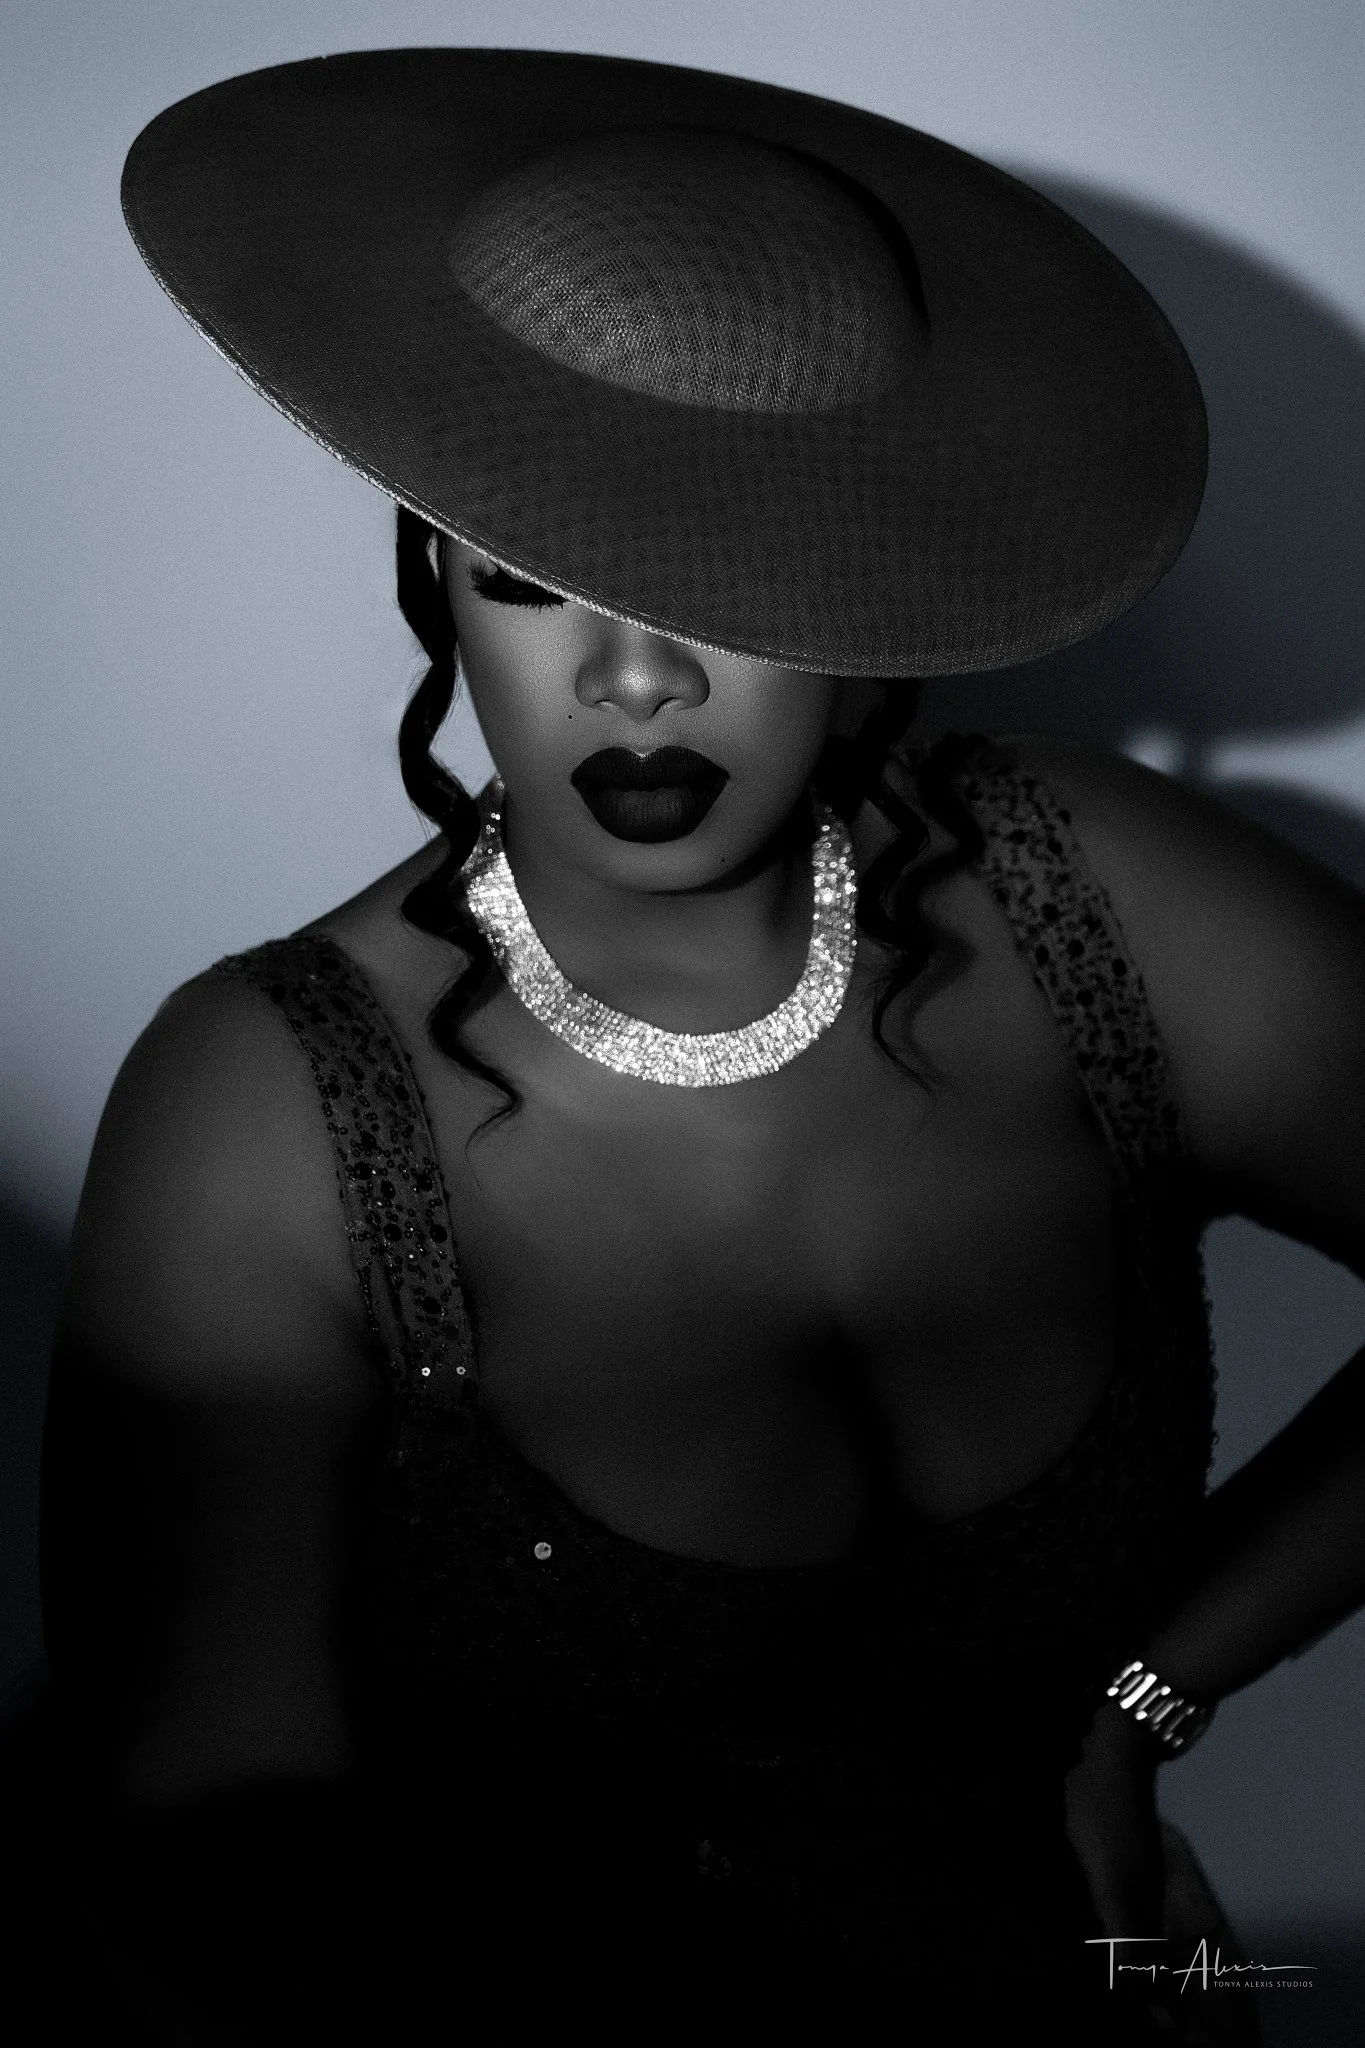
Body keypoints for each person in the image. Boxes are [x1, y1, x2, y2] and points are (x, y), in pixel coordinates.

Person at [23, 46, 1365, 2047]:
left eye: (726, 576)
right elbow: (201, 1852)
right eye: (532, 567)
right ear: (432, 567)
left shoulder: (1108, 908)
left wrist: (1151, 1691)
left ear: (867, 583)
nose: (635, 674)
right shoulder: (269, 1121)